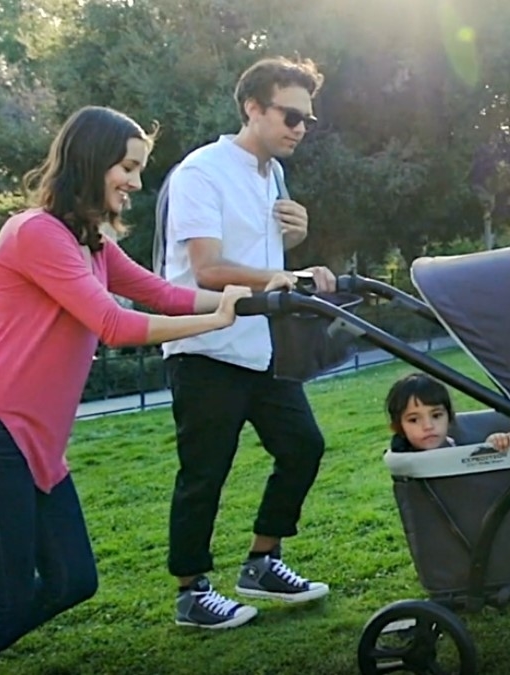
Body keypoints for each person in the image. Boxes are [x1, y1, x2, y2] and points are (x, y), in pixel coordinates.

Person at [0, 106, 280, 675]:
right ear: (91, 161)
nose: (136, 183)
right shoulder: (35, 234)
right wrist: (218, 321)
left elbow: (162, 294)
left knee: (72, 579)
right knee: (3, 601)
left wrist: (257, 296)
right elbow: (115, 324)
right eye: (127, 168)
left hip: (33, 443)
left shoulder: (90, 243)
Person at [160, 56, 337, 629]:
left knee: (303, 446)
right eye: (290, 115)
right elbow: (206, 269)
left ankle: (262, 560)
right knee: (205, 473)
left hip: (260, 346)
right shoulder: (201, 173)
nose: (300, 128)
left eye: (307, 119)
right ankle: (191, 592)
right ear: (253, 108)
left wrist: (299, 246)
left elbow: (267, 262)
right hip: (205, 346)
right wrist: (276, 277)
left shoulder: (273, 177)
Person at [385, 373, 510, 452]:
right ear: (399, 427)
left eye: (436, 416)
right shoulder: (405, 461)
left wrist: (491, 446)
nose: (428, 426)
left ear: (449, 417)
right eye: (414, 420)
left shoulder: (453, 443)